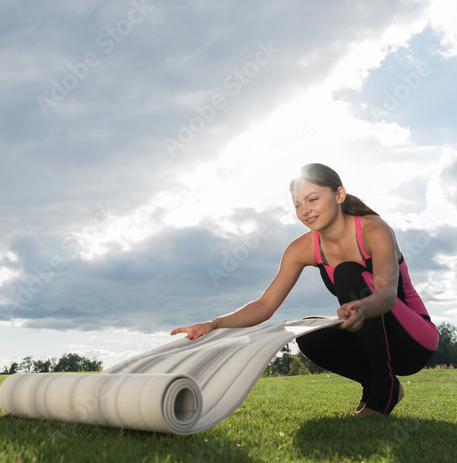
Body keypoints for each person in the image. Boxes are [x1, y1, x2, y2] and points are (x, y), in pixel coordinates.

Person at [170, 163, 439, 416]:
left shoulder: (373, 229)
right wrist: (215, 324)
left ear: (339, 195)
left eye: (313, 199)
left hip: (413, 342)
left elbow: (387, 294)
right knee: (308, 335)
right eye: (297, 205)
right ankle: (381, 384)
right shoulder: (301, 249)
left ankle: (384, 391)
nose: (305, 211)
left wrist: (362, 308)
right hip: (368, 333)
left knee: (347, 272)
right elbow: (265, 306)